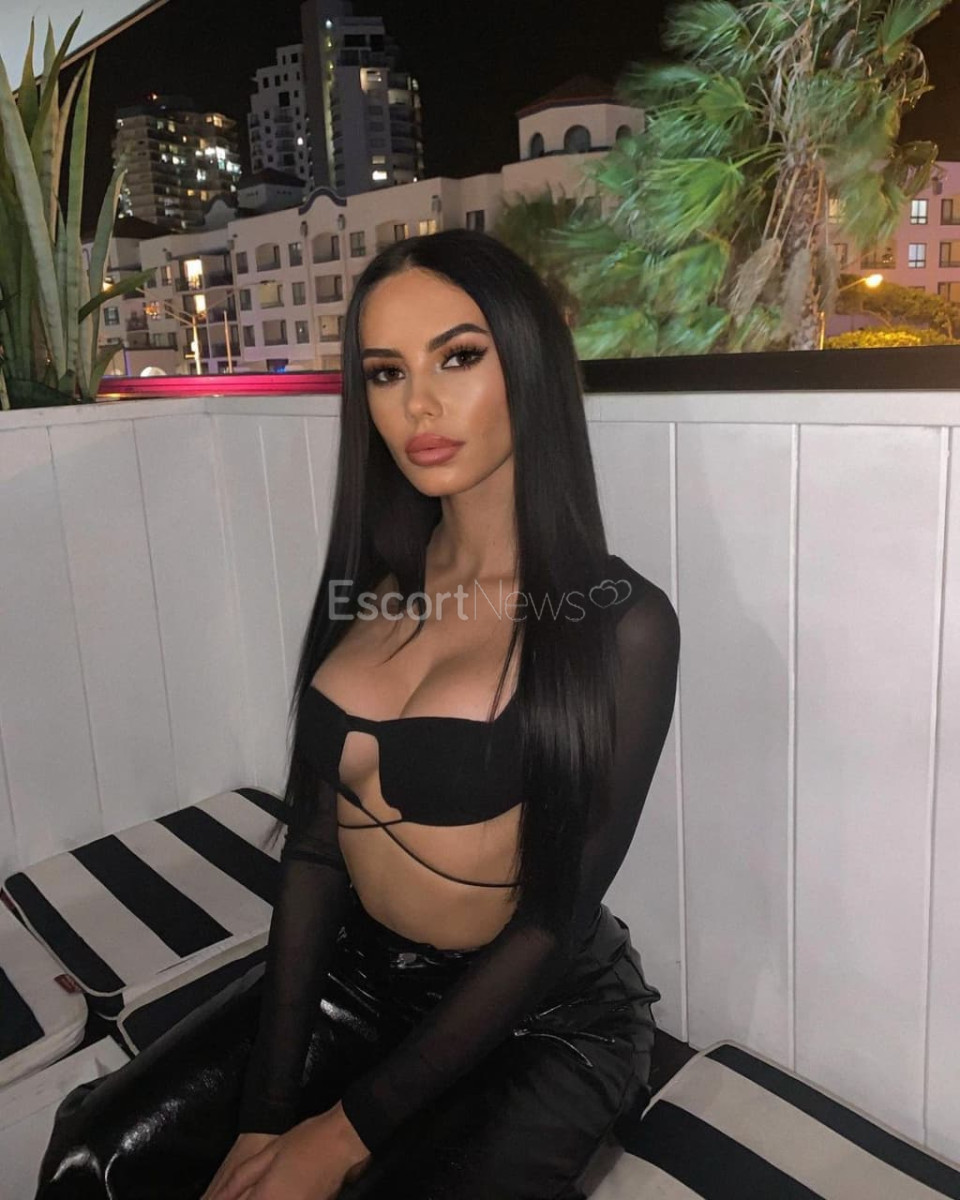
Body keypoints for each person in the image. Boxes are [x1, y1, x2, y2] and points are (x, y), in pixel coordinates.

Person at [35, 228, 679, 1200]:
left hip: (540, 1014)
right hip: (361, 974)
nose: (417, 404)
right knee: (94, 1154)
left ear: (530, 364)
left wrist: (340, 1134)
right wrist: (264, 1112)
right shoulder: (370, 584)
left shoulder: (620, 624)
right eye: (385, 372)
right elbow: (314, 850)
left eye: (457, 357)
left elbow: (552, 919)